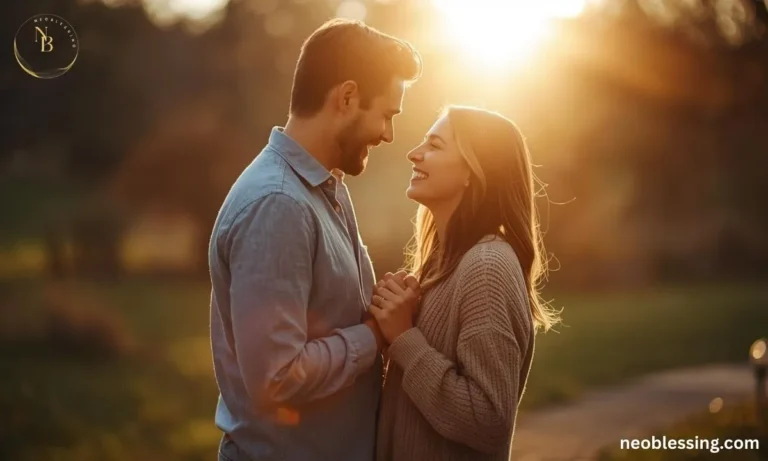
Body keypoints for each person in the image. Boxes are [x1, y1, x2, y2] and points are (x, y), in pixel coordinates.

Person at [208, 18, 421, 461]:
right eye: (386, 114)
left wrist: (386, 302)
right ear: (346, 97)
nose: (389, 134)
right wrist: (374, 335)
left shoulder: (325, 189)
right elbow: (277, 379)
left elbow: (329, 312)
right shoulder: (278, 204)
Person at [369, 106, 561, 461]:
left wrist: (405, 339)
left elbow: (488, 420)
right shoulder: (441, 264)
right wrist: (387, 333)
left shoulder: (487, 268)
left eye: (435, 145)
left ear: (474, 171)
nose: (413, 153)